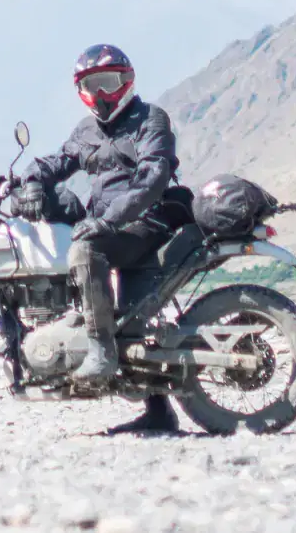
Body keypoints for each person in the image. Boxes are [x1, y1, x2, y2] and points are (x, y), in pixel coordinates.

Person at [18, 43, 186, 435]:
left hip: (144, 224)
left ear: (126, 81)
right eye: (91, 85)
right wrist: (30, 181)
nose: (101, 93)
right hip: (111, 226)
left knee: (85, 249)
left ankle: (101, 349)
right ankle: (158, 411)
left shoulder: (150, 120)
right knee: (131, 320)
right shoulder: (87, 131)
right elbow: (56, 162)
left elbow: (152, 179)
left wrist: (108, 221)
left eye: (108, 82)